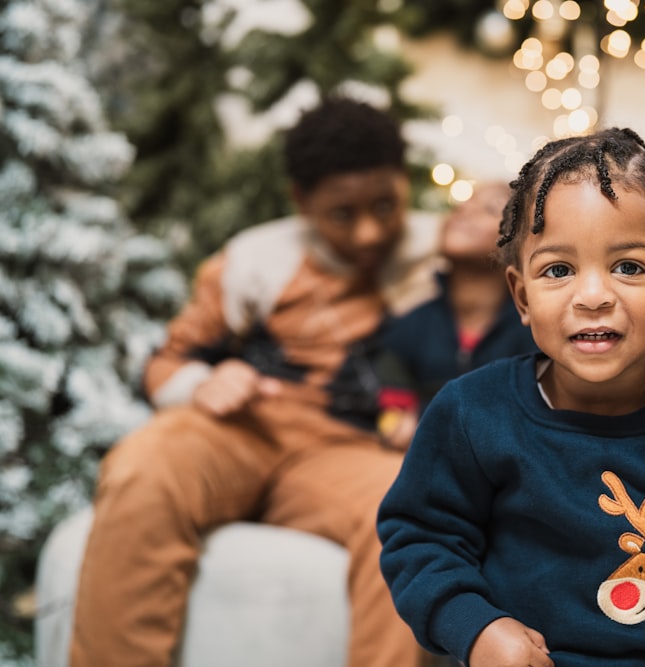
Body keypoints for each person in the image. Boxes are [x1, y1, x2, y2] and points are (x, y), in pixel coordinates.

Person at [377, 127, 645, 667]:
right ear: (522, 296)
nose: (593, 296)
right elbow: (420, 541)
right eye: (558, 270)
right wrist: (478, 629)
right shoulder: (471, 413)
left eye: (628, 267)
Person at [69, 95, 440, 667]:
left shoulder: (442, 252)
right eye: (343, 214)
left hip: (349, 450)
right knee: (144, 469)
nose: (368, 233)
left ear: (405, 183)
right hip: (246, 426)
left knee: (410, 513)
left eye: (385, 206)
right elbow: (167, 361)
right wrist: (201, 384)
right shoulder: (254, 259)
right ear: (301, 201)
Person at [375, 180, 538, 451]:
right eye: (461, 205)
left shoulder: (536, 331)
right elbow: (390, 402)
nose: (464, 210)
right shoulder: (410, 325)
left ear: (521, 242)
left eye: (488, 208)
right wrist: (394, 425)